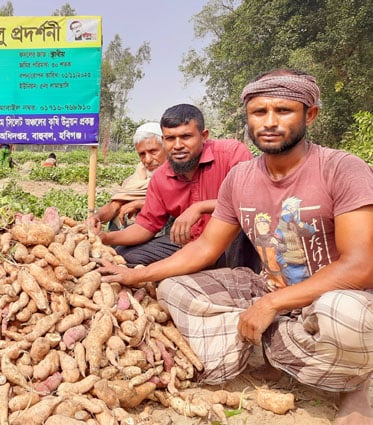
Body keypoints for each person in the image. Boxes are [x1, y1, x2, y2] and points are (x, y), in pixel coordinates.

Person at [96, 69, 373, 425]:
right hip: (266, 285)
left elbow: (362, 265)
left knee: (348, 315)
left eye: (284, 111)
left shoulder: (342, 168)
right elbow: (205, 249)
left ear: (310, 114)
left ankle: (353, 384)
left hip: (332, 296)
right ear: (248, 117)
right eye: (259, 112)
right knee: (172, 289)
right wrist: (139, 275)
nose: (270, 122)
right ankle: (280, 347)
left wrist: (270, 304)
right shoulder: (240, 178)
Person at [92, 104, 254, 267]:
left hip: (228, 241)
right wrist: (105, 237)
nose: (177, 146)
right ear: (164, 140)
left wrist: (200, 207)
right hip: (188, 244)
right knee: (124, 255)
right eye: (170, 138)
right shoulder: (161, 178)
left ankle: (223, 275)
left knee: (241, 238)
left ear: (203, 136)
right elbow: (145, 227)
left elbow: (250, 202)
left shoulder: (232, 154)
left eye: (186, 137)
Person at [88, 122, 166, 231]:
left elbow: (179, 205)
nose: (147, 160)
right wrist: (97, 217)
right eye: (142, 154)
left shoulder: (179, 174)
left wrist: (141, 204)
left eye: (153, 152)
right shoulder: (138, 176)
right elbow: (114, 205)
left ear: (167, 148)